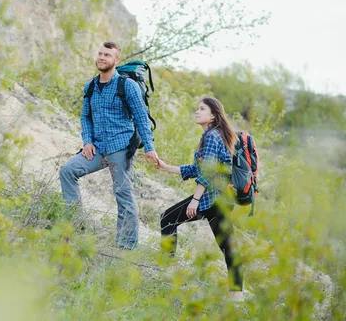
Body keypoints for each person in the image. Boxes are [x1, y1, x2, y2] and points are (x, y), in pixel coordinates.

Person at [59, 41, 159, 250]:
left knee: (122, 192)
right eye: (100, 54)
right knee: (68, 171)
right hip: (97, 148)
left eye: (107, 55)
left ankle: (126, 245)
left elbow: (141, 118)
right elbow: (85, 117)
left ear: (116, 61)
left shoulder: (127, 86)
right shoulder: (91, 86)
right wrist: (87, 142)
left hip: (121, 147)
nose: (102, 57)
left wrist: (149, 147)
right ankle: (75, 229)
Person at [156, 97, 244, 301]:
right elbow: (196, 168)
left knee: (168, 218)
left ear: (213, 115)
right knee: (227, 244)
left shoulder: (212, 136)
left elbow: (207, 172)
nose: (197, 112)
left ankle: (167, 270)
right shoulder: (212, 135)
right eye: (197, 108)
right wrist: (165, 167)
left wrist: (195, 200)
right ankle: (236, 293)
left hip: (212, 197)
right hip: (219, 198)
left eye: (202, 109)